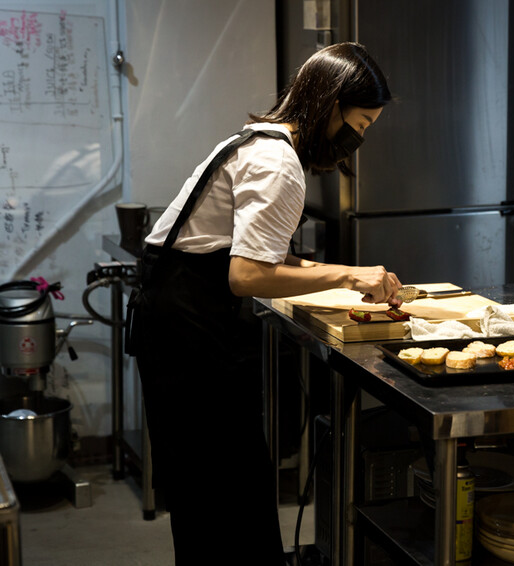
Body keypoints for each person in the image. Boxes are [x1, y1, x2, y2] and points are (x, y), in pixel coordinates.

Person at [129, 42, 402, 565]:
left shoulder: (262, 142)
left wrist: (349, 280)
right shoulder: (279, 164)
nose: (359, 139)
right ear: (332, 103)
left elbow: (253, 255)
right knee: (223, 489)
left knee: (214, 488)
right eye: (362, 124)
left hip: (180, 317)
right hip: (189, 330)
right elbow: (246, 275)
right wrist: (349, 272)